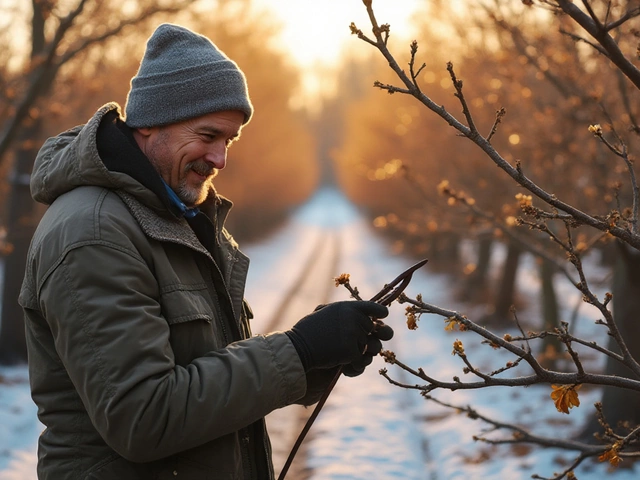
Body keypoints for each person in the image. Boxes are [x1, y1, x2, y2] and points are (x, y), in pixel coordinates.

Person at [18, 23, 393, 479]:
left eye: (228, 141)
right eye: (208, 135)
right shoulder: (94, 232)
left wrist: (317, 359)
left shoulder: (173, 215)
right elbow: (144, 418)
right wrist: (296, 351)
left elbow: (202, 372)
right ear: (151, 121)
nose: (220, 159)